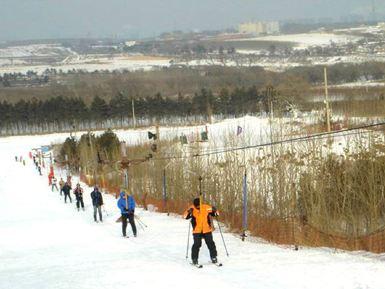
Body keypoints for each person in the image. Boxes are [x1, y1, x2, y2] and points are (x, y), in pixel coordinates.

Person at [183, 197, 219, 265]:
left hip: (207, 229)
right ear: (194, 205)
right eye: (197, 206)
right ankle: (194, 259)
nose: (198, 207)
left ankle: (214, 257)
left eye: (199, 206)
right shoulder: (191, 208)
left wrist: (215, 210)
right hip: (197, 231)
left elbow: (217, 214)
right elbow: (185, 217)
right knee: (197, 244)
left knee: (211, 244)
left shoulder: (206, 207)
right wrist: (188, 212)